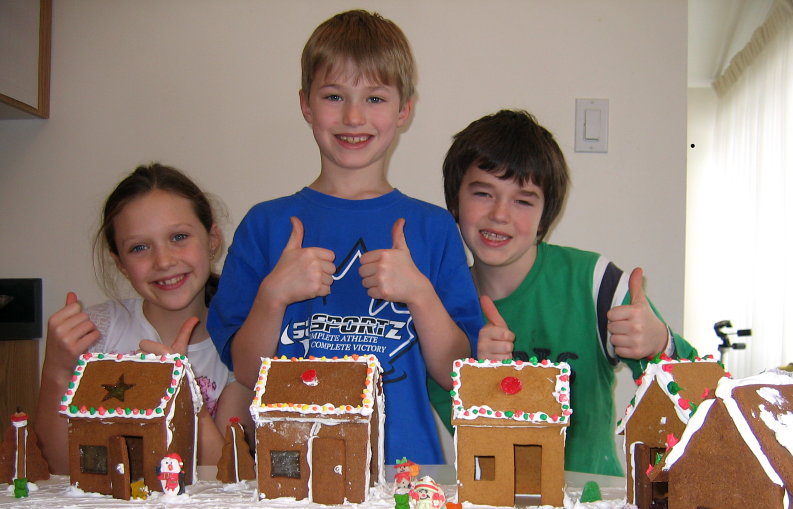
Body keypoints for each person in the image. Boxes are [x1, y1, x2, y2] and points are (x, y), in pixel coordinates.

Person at [207, 10, 481, 465]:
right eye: (334, 96)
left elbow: (456, 375)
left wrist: (419, 294)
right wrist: (273, 296)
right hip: (293, 469)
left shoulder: (433, 228)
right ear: (306, 105)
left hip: (406, 469)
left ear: (404, 109)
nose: (354, 116)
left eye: (375, 98)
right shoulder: (264, 224)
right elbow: (247, 373)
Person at [429, 110, 698, 476]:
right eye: (483, 193)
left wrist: (660, 343)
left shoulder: (596, 284)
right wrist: (479, 377)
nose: (500, 214)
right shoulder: (436, 313)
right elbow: (472, 440)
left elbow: (702, 403)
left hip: (595, 501)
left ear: (546, 215)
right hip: (487, 503)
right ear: (455, 201)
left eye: (523, 200)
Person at [35, 164, 252, 474]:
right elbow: (58, 471)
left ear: (212, 238)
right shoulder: (94, 334)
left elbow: (228, 479)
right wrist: (57, 370)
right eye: (139, 247)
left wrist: (185, 394)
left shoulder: (241, 346)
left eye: (179, 237)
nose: (163, 261)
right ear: (120, 263)